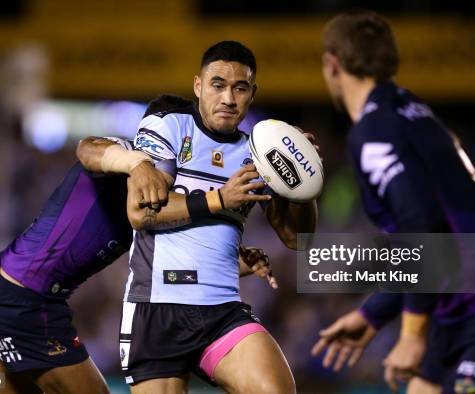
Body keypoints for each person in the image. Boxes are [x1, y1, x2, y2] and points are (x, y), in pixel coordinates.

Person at [0, 94, 277, 394]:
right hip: (23, 300)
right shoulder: (129, 159)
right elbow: (87, 148)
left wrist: (238, 263)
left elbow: (172, 264)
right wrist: (136, 163)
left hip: (9, 292)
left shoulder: (157, 197)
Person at [312, 10, 475, 394]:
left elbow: (423, 229)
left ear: (332, 64)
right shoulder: (415, 114)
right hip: (460, 319)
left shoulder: (374, 134)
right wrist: (372, 315)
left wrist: (411, 333)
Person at [83, 40, 319, 394]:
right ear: (198, 86)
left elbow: (297, 239)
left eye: (240, 88)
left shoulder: (259, 153)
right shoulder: (170, 125)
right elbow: (141, 212)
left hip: (221, 309)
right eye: (217, 85)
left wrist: (300, 182)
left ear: (252, 94)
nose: (228, 98)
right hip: (158, 309)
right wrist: (220, 199)